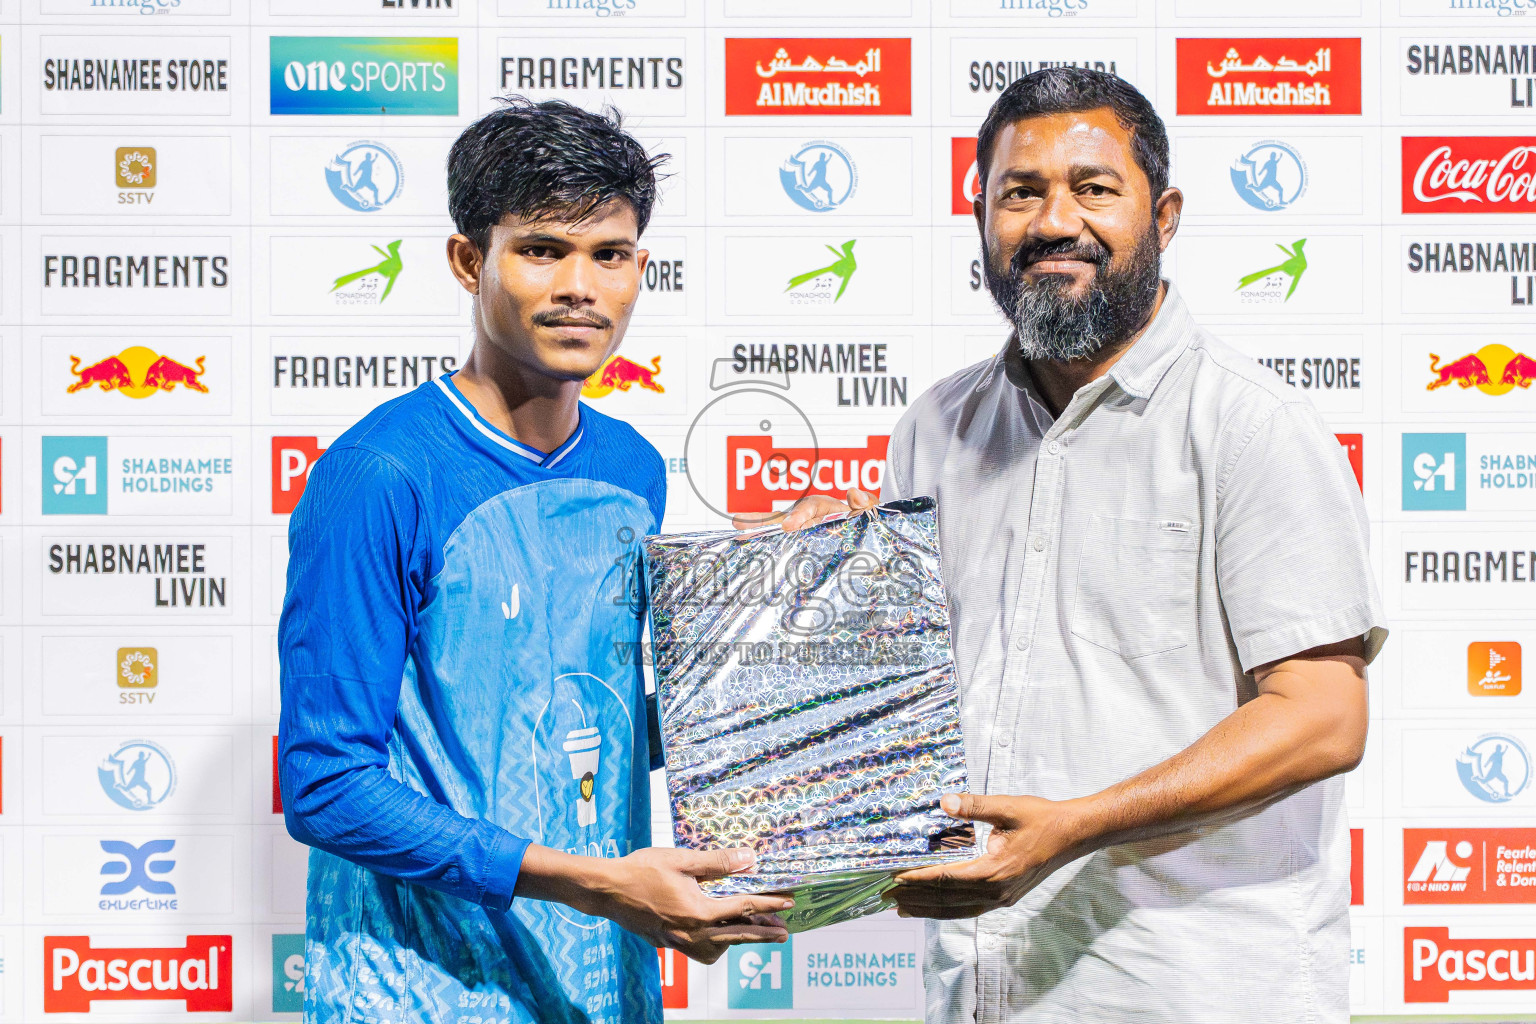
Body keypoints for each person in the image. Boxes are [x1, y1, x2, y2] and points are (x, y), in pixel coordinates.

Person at [777, 68, 1384, 1023]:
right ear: (980, 218)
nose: (1055, 220)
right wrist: (817, 583)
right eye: (1020, 192)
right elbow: (907, 701)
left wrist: (1074, 828)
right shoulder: (934, 429)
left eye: (1094, 188)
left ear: (1165, 214)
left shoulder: (1250, 424)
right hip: (983, 988)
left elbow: (1322, 715)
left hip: (1193, 991)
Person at [278, 97, 789, 1024]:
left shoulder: (631, 466)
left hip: (600, 981)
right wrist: (589, 883)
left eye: (611, 255)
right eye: (543, 249)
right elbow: (325, 786)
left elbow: (585, 712)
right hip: (422, 990)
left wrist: (783, 596)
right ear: (470, 260)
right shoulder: (380, 474)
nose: (580, 287)